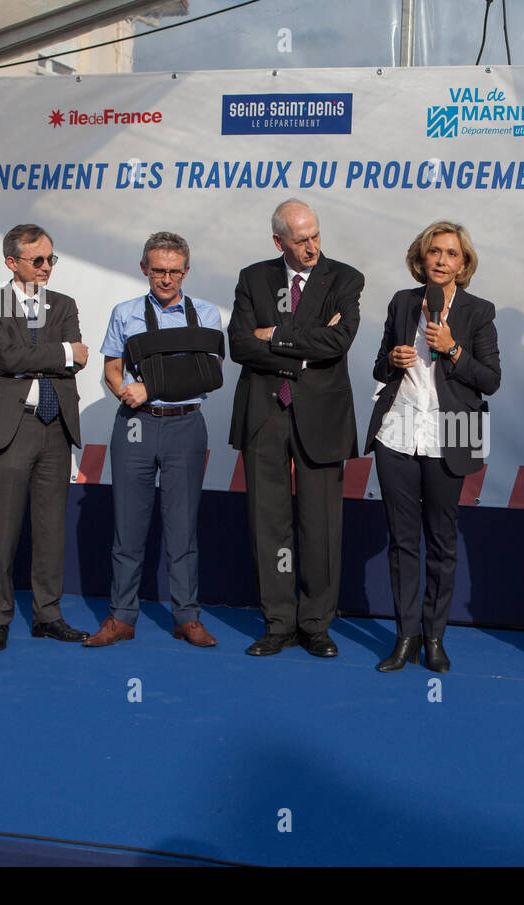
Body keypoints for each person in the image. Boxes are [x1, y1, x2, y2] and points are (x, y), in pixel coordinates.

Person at [228, 199, 364, 659]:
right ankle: (279, 623)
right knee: (268, 522)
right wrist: (305, 347)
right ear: (278, 241)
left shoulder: (345, 278)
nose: (311, 247)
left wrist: (277, 335)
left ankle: (316, 624)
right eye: (301, 240)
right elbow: (240, 345)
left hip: (320, 416)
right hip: (264, 413)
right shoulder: (253, 277)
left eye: (316, 236)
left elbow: (340, 341)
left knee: (321, 524)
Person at [364, 222, 500, 672]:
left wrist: (454, 350)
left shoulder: (479, 311)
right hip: (397, 432)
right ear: (421, 260)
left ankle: (435, 638)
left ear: (464, 265)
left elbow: (491, 381)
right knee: (403, 542)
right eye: (434, 252)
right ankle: (406, 637)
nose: (442, 261)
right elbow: (379, 367)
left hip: (454, 432)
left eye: (451, 254)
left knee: (442, 540)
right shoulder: (403, 302)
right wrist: (392, 360)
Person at [84, 232, 223, 649]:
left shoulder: (206, 313)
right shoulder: (124, 313)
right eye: (158, 270)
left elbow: (209, 375)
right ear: (145, 268)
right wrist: (124, 391)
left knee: (182, 531)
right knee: (128, 528)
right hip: (136, 426)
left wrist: (150, 387)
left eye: (174, 271)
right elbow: (112, 369)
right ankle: (121, 617)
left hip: (185, 426)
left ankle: (187, 617)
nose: (166, 279)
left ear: (186, 270)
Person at [0, 224, 89, 651]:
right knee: (2, 529)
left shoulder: (64, 304)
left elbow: (77, 361)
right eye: (37, 260)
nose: (46, 267)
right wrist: (57, 354)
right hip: (11, 425)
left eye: (50, 259)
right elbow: (7, 354)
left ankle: (48, 615)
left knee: (50, 527)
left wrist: (19, 364)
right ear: (11, 262)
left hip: (55, 424)